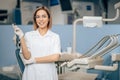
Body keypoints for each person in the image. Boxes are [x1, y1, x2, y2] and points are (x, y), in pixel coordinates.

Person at [12, 6, 61, 80]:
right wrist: (21, 37)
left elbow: (56, 57)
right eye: (38, 17)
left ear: (48, 19)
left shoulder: (54, 36)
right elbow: (27, 57)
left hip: (48, 73)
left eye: (44, 16)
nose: (41, 19)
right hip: (31, 73)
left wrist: (34, 60)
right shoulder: (28, 35)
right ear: (35, 19)